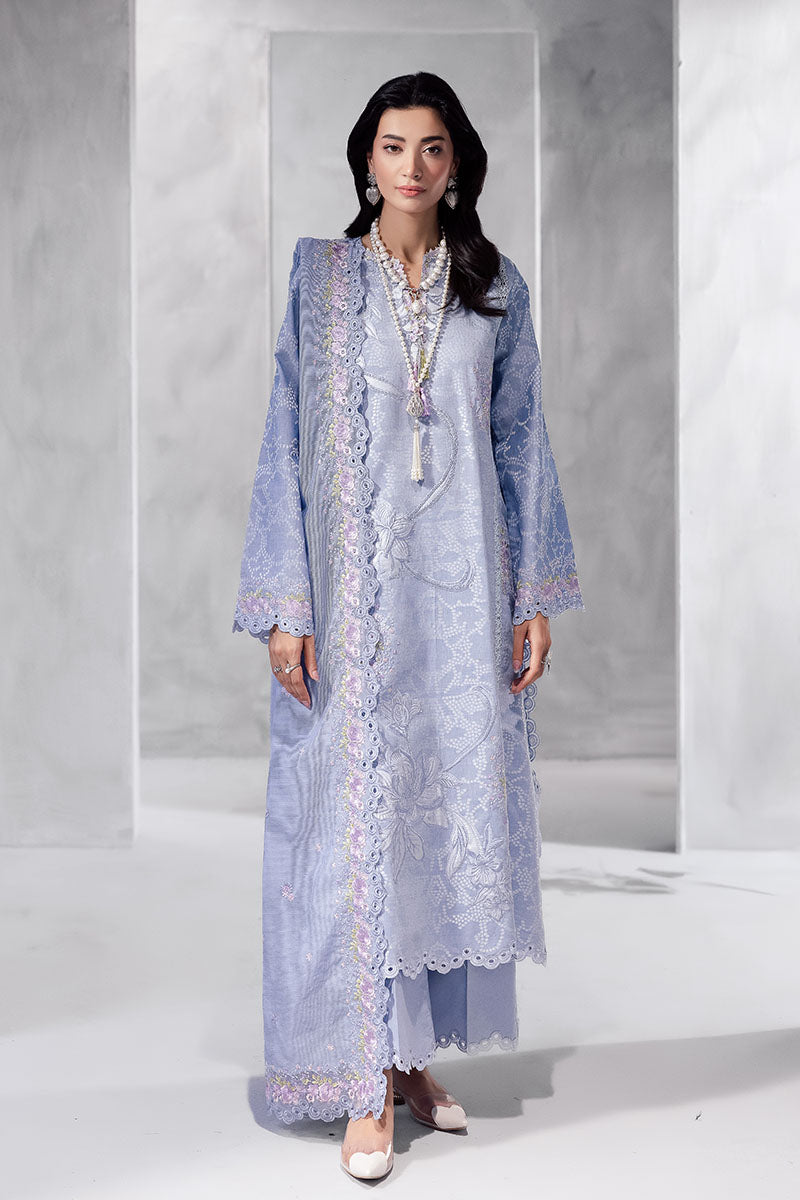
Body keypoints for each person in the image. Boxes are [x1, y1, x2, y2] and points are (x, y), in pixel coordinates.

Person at [233, 70, 584, 1181]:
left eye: (432, 148)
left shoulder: (493, 286)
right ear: (365, 160)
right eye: (394, 146)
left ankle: (410, 1058)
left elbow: (522, 440)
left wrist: (532, 596)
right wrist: (287, 605)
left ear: (456, 162)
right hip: (357, 601)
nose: (413, 167)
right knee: (357, 824)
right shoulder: (324, 281)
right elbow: (284, 436)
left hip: (463, 601)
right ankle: (361, 1080)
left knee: (439, 827)